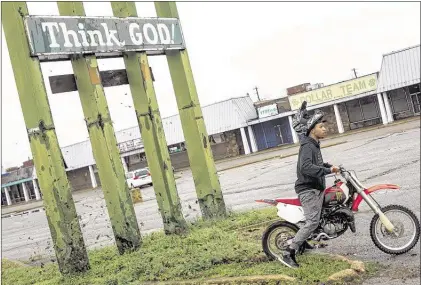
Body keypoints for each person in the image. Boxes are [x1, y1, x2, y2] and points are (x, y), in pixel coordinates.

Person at [279, 101, 340, 269]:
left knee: (319, 217)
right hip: (308, 190)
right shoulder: (307, 145)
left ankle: (304, 243)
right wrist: (328, 171)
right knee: (312, 222)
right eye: (321, 126)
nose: (325, 129)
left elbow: (316, 163)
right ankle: (288, 253)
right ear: (312, 129)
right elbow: (306, 167)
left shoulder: (313, 145)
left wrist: (329, 166)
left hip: (315, 188)